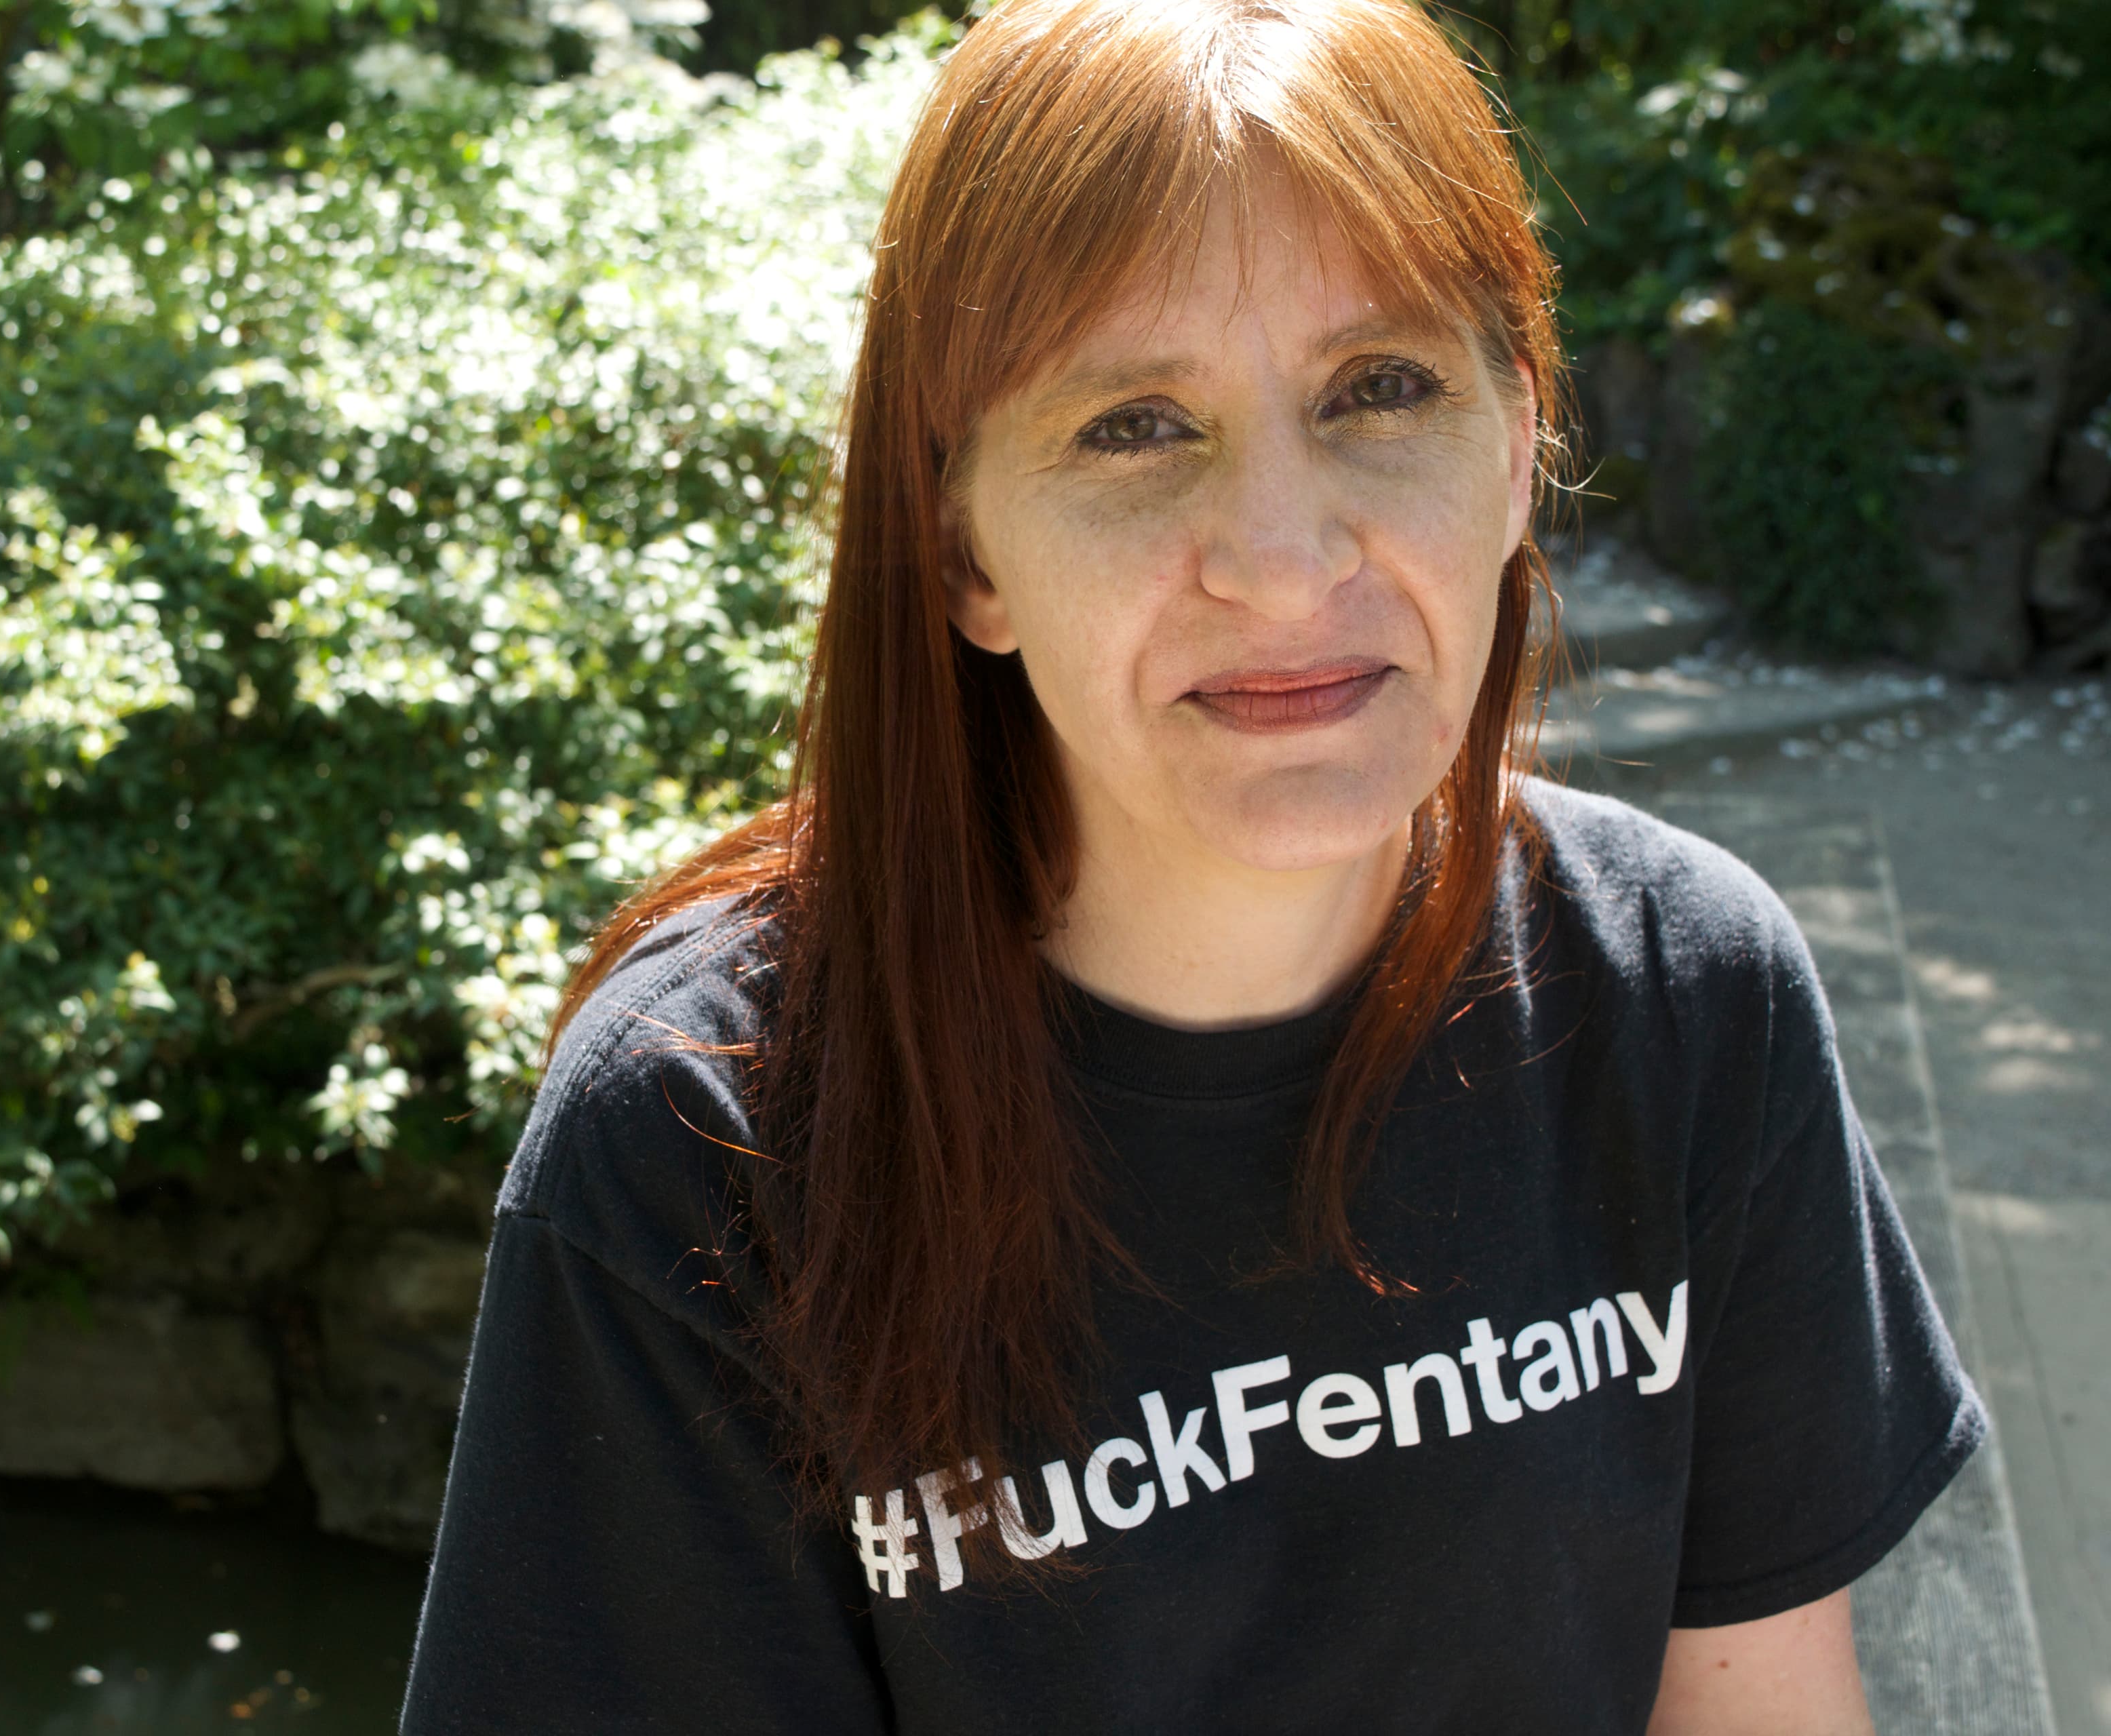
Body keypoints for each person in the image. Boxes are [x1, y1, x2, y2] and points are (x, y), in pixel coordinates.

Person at [399, 1, 1985, 1729]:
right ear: (962, 549)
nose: (1284, 562)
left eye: (1380, 388)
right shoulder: (701, 1144)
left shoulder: (1685, 995)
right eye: (1135, 427)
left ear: (1520, 445)